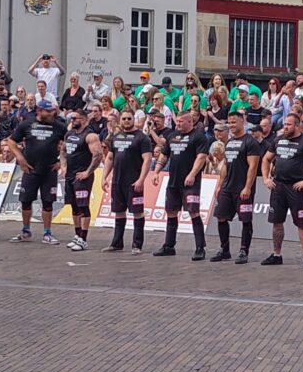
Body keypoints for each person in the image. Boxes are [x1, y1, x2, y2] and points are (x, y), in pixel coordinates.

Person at [260, 114, 303, 269]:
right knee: (277, 222)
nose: (285, 127)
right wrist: (266, 179)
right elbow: (266, 159)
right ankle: (276, 254)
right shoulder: (278, 139)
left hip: (295, 187)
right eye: (284, 124)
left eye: (288, 124)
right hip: (278, 186)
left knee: (302, 223)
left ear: (297, 126)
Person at [5, 99, 68, 244]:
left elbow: (72, 142)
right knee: (26, 201)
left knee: (48, 202)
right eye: (48, 111)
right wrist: (20, 158)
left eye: (53, 110)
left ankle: (47, 233)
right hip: (30, 169)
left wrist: (62, 162)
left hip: (49, 170)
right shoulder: (26, 123)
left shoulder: (59, 126)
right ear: (39, 111)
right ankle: (26, 230)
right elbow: (11, 141)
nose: (52, 113)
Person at [152, 110, 211, 260]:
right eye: (176, 121)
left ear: (189, 121)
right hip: (173, 182)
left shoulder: (199, 137)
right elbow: (164, 155)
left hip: (190, 183)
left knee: (193, 213)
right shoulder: (172, 136)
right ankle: (169, 246)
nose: (177, 124)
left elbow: (201, 157)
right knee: (171, 212)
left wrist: (192, 174)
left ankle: (200, 248)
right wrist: (156, 171)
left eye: (180, 121)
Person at [212, 111, 261, 264]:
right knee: (221, 217)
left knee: (245, 220)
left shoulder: (250, 142)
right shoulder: (230, 142)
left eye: (234, 122)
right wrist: (219, 185)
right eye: (230, 123)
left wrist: (247, 187)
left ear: (242, 122)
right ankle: (224, 250)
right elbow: (226, 165)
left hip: (242, 189)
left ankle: (243, 251)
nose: (232, 125)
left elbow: (253, 167)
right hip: (227, 187)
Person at [102, 110, 153, 254]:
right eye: (123, 118)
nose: (126, 121)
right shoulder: (116, 137)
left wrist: (141, 179)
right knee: (118, 212)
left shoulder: (142, 138)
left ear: (134, 119)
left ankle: (137, 245)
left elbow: (147, 160)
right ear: (120, 120)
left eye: (129, 118)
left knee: (137, 213)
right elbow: (110, 158)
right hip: (117, 182)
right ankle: (117, 243)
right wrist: (104, 177)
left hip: (134, 183)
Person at [62, 109, 103, 251]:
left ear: (85, 119)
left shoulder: (90, 136)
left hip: (82, 177)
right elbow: (63, 151)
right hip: (70, 176)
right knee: (74, 207)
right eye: (72, 118)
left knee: (83, 206)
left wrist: (88, 172)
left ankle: (84, 239)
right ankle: (77, 235)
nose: (73, 120)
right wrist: (63, 166)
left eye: (76, 118)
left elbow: (98, 155)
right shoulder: (70, 134)